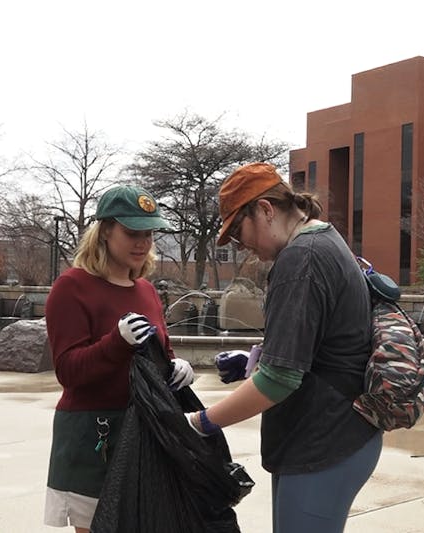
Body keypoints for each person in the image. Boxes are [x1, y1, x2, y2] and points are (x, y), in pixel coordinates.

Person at [186, 162, 382, 533]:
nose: (242, 246)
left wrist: (200, 423)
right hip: (337, 437)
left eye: (239, 232)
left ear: (264, 210)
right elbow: (322, 348)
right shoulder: (324, 241)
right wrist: (256, 359)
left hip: (325, 442)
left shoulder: (301, 258)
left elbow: (279, 380)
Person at [42, 185, 196, 533]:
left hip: (144, 431)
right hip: (93, 436)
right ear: (106, 230)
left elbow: (161, 353)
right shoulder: (71, 287)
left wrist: (175, 369)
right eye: (132, 232)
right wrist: (117, 343)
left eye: (148, 233)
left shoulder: (145, 290)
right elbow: (68, 371)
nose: (142, 242)